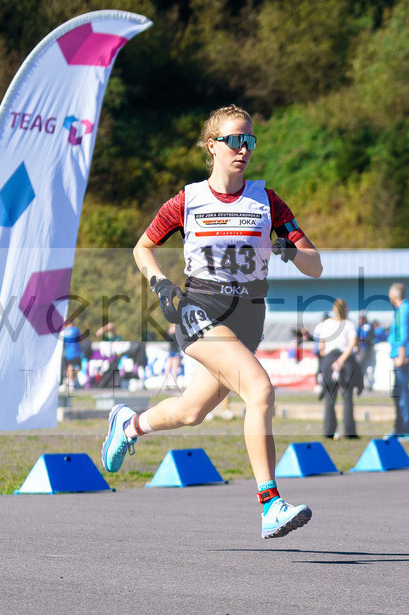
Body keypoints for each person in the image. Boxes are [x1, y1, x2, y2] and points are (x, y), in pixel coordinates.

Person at [100, 105, 323, 539]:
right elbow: (142, 248)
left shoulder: (267, 201)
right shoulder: (188, 200)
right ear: (212, 146)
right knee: (260, 390)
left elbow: (315, 266)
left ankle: (128, 425)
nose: (244, 150)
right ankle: (270, 503)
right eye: (235, 141)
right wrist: (161, 285)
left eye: (250, 141)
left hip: (248, 319)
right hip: (200, 310)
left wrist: (291, 250)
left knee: (191, 412)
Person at [314, 298, 360, 439]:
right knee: (347, 397)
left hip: (329, 360)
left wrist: (331, 359)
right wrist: (341, 360)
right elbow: (352, 344)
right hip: (346, 361)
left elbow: (321, 348)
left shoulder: (325, 325)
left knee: (330, 398)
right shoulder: (349, 325)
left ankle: (328, 431)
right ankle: (349, 432)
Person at [387, 282, 409, 439]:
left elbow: (403, 334)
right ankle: (399, 428)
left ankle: (405, 429)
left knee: (402, 394)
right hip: (402, 354)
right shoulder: (406, 309)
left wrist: (401, 356)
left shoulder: (402, 310)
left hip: (402, 356)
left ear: (393, 295)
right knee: (397, 393)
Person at [60, 320, 84, 388]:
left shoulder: (64, 331)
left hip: (67, 352)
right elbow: (80, 340)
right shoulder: (75, 329)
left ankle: (69, 379)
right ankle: (71, 380)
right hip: (75, 351)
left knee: (70, 366)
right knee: (77, 366)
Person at [163, 322, 182, 387]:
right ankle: (166, 382)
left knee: (174, 368)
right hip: (171, 352)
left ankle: (174, 382)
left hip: (176, 353)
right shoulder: (170, 333)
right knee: (167, 367)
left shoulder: (177, 333)